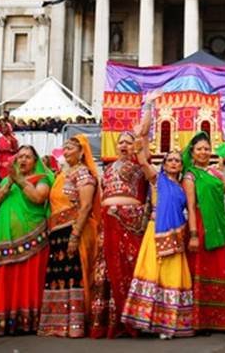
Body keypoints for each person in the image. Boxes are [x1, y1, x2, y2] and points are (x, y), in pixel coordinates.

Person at [92, 94, 157, 338]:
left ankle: (133, 321)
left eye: (128, 142)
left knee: (128, 269)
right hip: (108, 223)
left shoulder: (140, 163)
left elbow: (144, 134)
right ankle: (110, 322)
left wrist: (148, 106)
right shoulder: (108, 169)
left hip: (131, 223)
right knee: (107, 272)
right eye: (121, 142)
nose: (124, 145)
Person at [122, 149, 194, 339]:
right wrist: (140, 144)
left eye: (177, 161)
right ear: (164, 164)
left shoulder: (183, 186)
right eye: (170, 160)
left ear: (182, 166)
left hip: (176, 233)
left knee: (172, 275)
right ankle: (148, 321)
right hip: (156, 232)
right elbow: (143, 163)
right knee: (153, 272)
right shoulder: (157, 180)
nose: (174, 163)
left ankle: (168, 323)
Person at [0, 145, 53, 336]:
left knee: (27, 279)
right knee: (5, 277)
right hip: (5, 239)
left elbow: (38, 198)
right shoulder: (7, 180)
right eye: (20, 157)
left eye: (28, 157)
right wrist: (8, 184)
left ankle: (27, 322)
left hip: (33, 239)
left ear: (35, 161)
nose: (23, 160)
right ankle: (4, 319)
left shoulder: (41, 179)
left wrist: (20, 181)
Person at [183, 130, 225, 332]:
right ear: (192, 152)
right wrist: (193, 235)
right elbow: (191, 207)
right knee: (201, 270)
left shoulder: (216, 173)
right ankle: (200, 321)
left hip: (218, 228)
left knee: (221, 269)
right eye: (199, 149)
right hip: (201, 227)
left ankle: (223, 321)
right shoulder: (190, 176)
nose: (203, 152)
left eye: (206, 149)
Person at [38, 135, 99, 338]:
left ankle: (75, 324)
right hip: (58, 233)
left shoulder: (83, 174)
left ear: (82, 152)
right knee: (59, 277)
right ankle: (57, 323)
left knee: (74, 275)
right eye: (65, 148)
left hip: (74, 231)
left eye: (71, 148)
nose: (66, 151)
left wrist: (75, 235)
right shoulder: (62, 174)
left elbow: (86, 206)